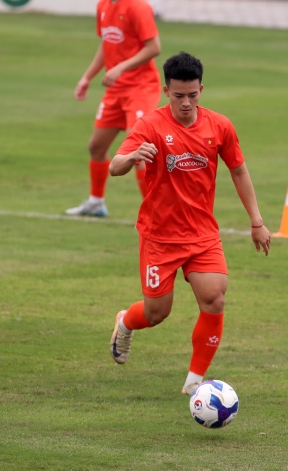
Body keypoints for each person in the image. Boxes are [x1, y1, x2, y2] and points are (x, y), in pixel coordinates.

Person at [108, 52, 271, 395]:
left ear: (202, 90)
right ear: (166, 91)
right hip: (160, 236)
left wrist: (256, 221)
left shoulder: (219, 126)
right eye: (179, 95)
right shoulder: (150, 125)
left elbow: (239, 171)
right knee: (156, 313)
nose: (186, 103)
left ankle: (195, 383)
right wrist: (133, 156)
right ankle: (125, 322)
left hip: (202, 234)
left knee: (214, 299)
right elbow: (115, 166)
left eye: (192, 95)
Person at [66, 0, 162, 218]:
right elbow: (106, 45)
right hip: (115, 91)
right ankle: (96, 202)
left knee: (139, 152)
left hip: (141, 89)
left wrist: (120, 67)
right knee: (96, 147)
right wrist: (87, 77)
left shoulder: (138, 6)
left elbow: (154, 47)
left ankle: (155, 214)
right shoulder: (103, 5)